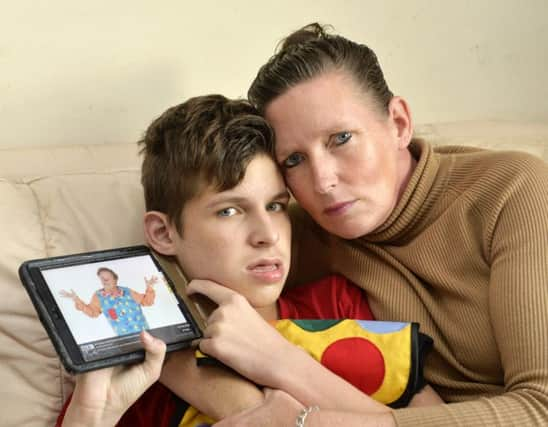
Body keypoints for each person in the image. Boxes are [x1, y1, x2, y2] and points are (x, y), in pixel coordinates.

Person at [189, 23, 548, 426]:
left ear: (398, 123)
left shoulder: (513, 189)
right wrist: (239, 406)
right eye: (294, 159)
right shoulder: (302, 229)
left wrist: (298, 401)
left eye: (341, 138)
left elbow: (541, 408)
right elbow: (162, 302)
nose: (323, 182)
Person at [58, 95, 441, 427]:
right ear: (163, 233)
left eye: (275, 206)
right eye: (229, 211)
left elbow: (429, 415)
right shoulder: (143, 374)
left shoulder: (338, 306)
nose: (268, 234)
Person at [60, 267, 158, 336]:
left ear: (115, 279)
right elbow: (92, 312)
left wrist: (149, 287)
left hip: (146, 333)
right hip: (125, 339)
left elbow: (147, 302)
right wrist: (76, 299)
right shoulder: (98, 296)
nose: (104, 281)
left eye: (106, 278)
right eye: (101, 279)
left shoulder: (127, 291)